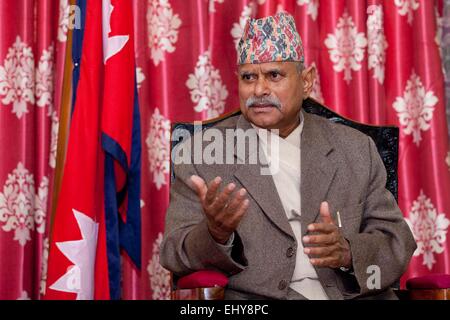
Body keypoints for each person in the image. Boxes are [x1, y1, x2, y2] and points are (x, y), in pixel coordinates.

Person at [160, 12, 416, 300]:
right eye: (248, 77)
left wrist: (347, 252)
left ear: (306, 82)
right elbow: (173, 252)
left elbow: (397, 242)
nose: (259, 90)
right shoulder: (201, 154)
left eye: (274, 75)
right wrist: (216, 234)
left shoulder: (356, 149)